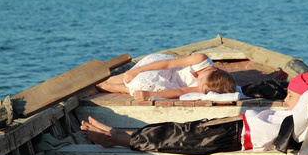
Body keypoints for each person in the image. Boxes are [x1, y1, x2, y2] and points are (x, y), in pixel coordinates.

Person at [80, 71, 308, 155]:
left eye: (291, 96)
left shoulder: (306, 111)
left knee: (172, 138)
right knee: (172, 128)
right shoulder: (304, 108)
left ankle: (114, 139)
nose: (286, 100)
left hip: (233, 136)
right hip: (234, 124)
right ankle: (119, 132)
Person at [96, 53, 237, 100]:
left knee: (142, 86)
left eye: (200, 85)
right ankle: (108, 81)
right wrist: (137, 69)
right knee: (130, 77)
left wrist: (149, 94)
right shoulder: (201, 59)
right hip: (166, 69)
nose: (198, 82)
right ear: (214, 70)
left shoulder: (204, 87)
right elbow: (167, 64)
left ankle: (119, 89)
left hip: (170, 83)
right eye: (200, 79)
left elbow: (180, 91)